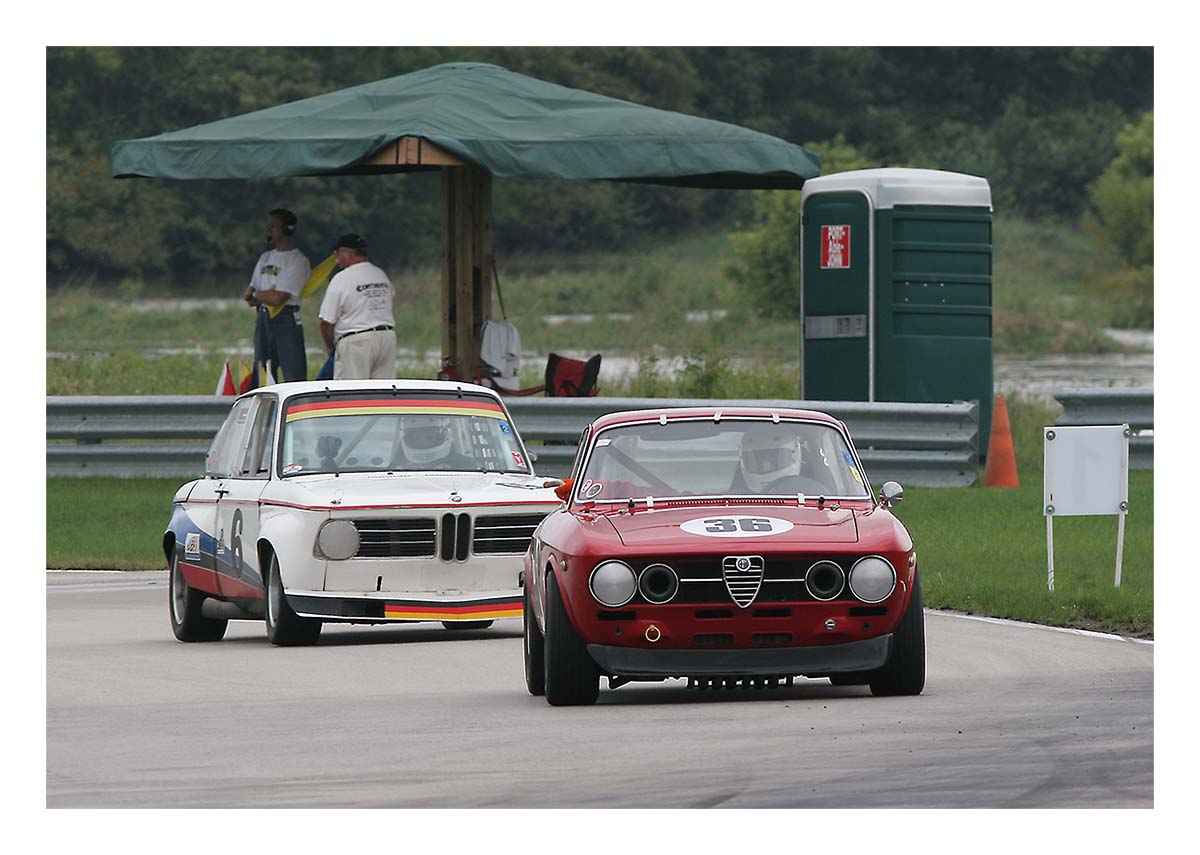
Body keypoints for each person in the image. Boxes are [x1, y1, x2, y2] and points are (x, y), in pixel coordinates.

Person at [243, 208, 311, 383]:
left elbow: (279, 298)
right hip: (263, 316)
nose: (269, 231)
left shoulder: (297, 261)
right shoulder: (265, 258)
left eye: (273, 226)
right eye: (268, 226)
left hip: (286, 318)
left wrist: (262, 294)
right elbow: (249, 296)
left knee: (293, 372)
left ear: (287, 229)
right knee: (261, 370)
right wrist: (265, 294)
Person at [318, 234, 397, 380]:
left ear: (347, 253)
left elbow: (326, 321)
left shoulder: (342, 278)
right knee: (382, 392)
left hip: (357, 341)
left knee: (351, 393)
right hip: (386, 338)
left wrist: (330, 346)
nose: (336, 259)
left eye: (337, 254)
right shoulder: (380, 275)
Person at [731, 424, 827, 495]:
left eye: (772, 458)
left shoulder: (814, 494)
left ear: (794, 455)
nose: (766, 465)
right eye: (758, 459)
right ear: (743, 460)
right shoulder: (733, 501)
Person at [398, 416, 477, 470]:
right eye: (415, 438)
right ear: (408, 439)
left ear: (442, 436)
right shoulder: (397, 467)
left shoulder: (466, 466)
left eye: (429, 437)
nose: (423, 443)